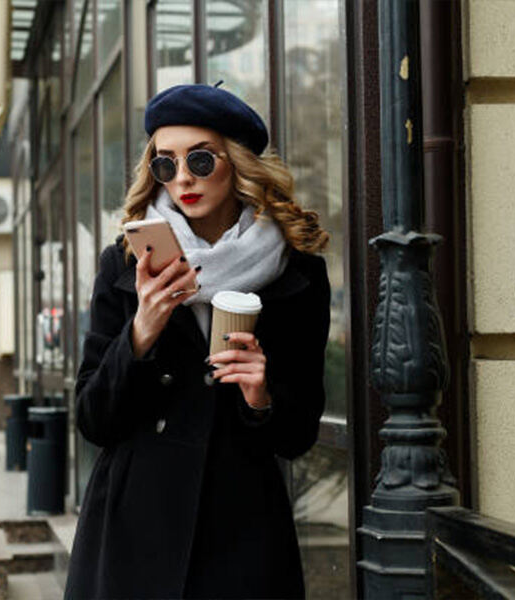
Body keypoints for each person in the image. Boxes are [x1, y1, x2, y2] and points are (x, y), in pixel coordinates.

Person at [65, 84, 331, 599]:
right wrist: (141, 332)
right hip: (133, 529)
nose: (182, 177)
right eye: (166, 163)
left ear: (237, 163)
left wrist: (263, 397)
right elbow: (92, 419)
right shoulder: (126, 263)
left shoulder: (296, 274)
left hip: (242, 530)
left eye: (201, 159)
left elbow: (298, 435)